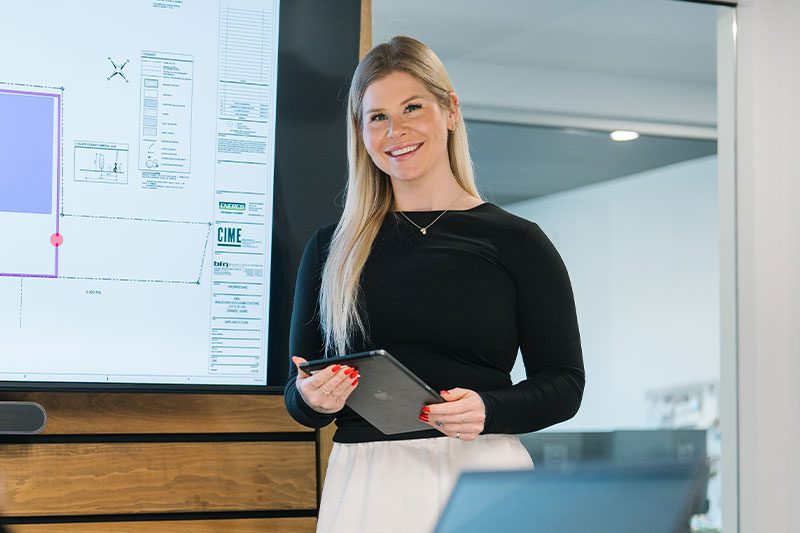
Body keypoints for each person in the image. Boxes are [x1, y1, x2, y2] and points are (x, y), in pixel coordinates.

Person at [284, 36, 584, 532]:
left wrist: (489, 408)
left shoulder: (518, 241)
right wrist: (314, 398)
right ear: (360, 132)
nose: (395, 130)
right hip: (367, 481)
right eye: (377, 117)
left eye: (412, 108)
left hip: (483, 476)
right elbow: (298, 394)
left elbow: (564, 384)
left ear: (450, 111)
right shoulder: (330, 248)